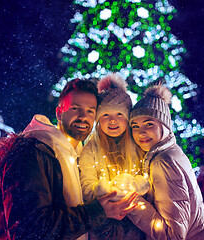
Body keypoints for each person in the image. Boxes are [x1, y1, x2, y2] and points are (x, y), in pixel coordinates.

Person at [0, 78, 137, 240]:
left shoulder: (80, 156)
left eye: (90, 111)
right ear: (59, 113)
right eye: (75, 108)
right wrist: (96, 212)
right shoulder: (35, 152)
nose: (83, 117)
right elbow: (29, 230)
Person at [127, 85, 204, 239]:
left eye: (149, 124)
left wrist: (132, 203)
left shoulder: (163, 161)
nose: (141, 132)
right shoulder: (171, 152)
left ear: (164, 125)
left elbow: (173, 235)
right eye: (135, 126)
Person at [79, 74, 145, 239]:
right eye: (106, 115)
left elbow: (149, 177)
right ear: (99, 120)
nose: (113, 121)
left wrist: (138, 185)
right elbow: (86, 188)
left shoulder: (138, 146)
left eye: (119, 115)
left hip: (136, 226)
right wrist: (106, 190)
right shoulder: (91, 150)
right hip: (103, 228)